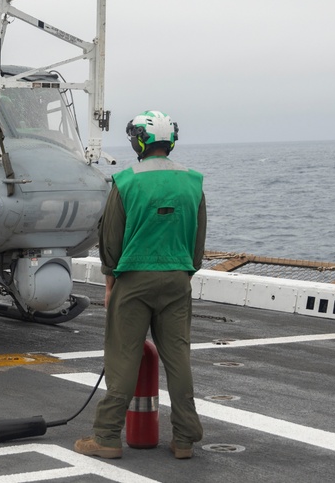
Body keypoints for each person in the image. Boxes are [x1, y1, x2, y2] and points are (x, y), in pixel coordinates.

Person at [74, 110, 207, 461]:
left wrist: (110, 283)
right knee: (178, 358)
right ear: (170, 141)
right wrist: (183, 272)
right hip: (177, 278)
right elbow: (198, 242)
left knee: (123, 357)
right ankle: (185, 439)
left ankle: (106, 437)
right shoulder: (193, 182)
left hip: (133, 279)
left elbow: (110, 241)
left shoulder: (125, 181)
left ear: (139, 142)